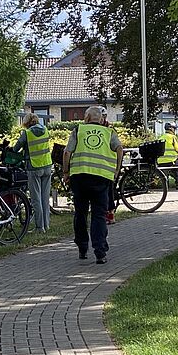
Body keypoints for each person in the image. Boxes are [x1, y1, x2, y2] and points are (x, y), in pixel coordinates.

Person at [62, 106, 124, 263]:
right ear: (101, 119)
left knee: (80, 213)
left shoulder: (78, 130)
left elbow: (67, 152)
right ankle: (100, 252)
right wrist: (116, 170)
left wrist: (66, 172)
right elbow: (119, 149)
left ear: (86, 118)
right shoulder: (109, 132)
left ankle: (82, 248)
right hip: (101, 178)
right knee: (99, 215)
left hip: (80, 177)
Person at [14, 113, 52, 233]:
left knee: (36, 199)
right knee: (45, 198)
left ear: (26, 122)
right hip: (47, 166)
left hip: (34, 167)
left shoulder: (27, 133)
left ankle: (39, 227)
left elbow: (16, 148)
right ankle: (46, 225)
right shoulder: (45, 130)